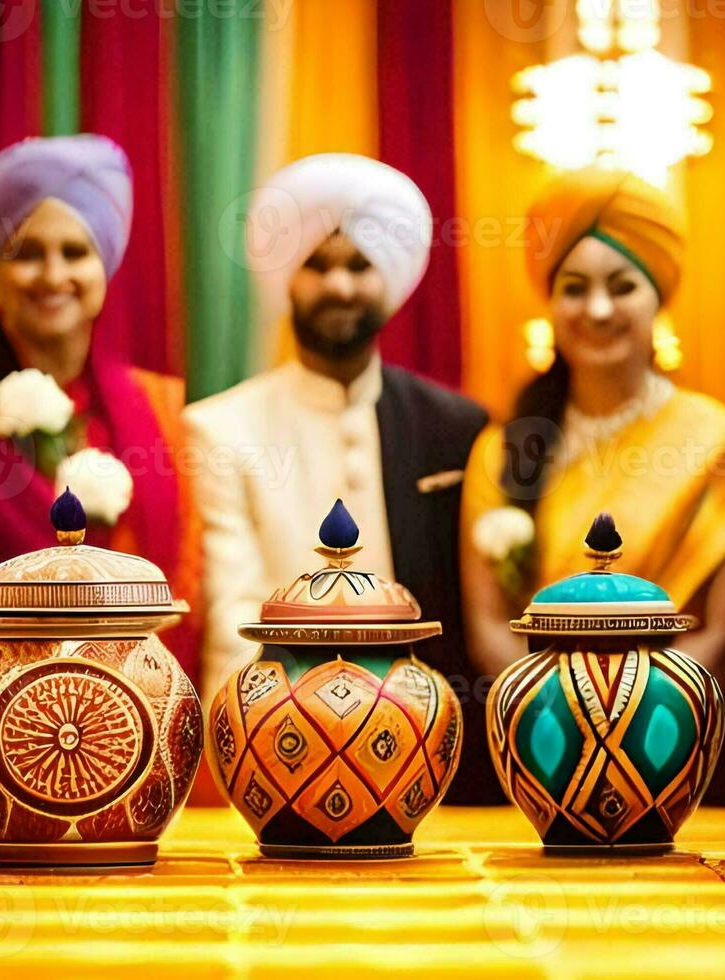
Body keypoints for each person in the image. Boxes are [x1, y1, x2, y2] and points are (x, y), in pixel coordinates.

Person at [184, 153, 494, 803]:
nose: (341, 287)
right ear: (285, 281)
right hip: (276, 747)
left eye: (360, 266)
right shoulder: (221, 428)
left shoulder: (456, 427)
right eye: (317, 266)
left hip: (437, 765)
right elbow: (232, 617)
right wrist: (244, 770)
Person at [0, 134, 202, 683]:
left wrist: (136, 699)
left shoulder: (162, 407)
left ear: (104, 268)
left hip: (145, 701)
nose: (54, 276)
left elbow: (190, 586)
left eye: (75, 252)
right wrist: (29, 704)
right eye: (27, 254)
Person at [461, 168, 725, 701]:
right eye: (574, 288)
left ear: (658, 298)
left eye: (623, 286)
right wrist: (561, 719)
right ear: (550, 302)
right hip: (535, 737)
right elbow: (489, 630)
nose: (598, 309)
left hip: (672, 736)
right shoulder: (500, 451)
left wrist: (624, 721)